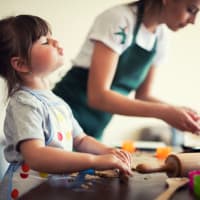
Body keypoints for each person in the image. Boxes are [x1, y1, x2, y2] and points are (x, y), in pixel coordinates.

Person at [0, 15, 132, 199]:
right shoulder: (24, 103)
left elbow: (81, 139)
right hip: (26, 192)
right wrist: (94, 161)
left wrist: (108, 151)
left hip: (52, 189)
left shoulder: (57, 102)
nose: (55, 41)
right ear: (21, 64)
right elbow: (36, 156)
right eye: (45, 41)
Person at [53, 0, 200, 139]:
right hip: (61, 120)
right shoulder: (120, 19)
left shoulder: (160, 37)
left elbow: (144, 95)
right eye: (191, 10)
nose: (193, 21)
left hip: (93, 130)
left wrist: (181, 113)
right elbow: (98, 97)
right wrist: (165, 113)